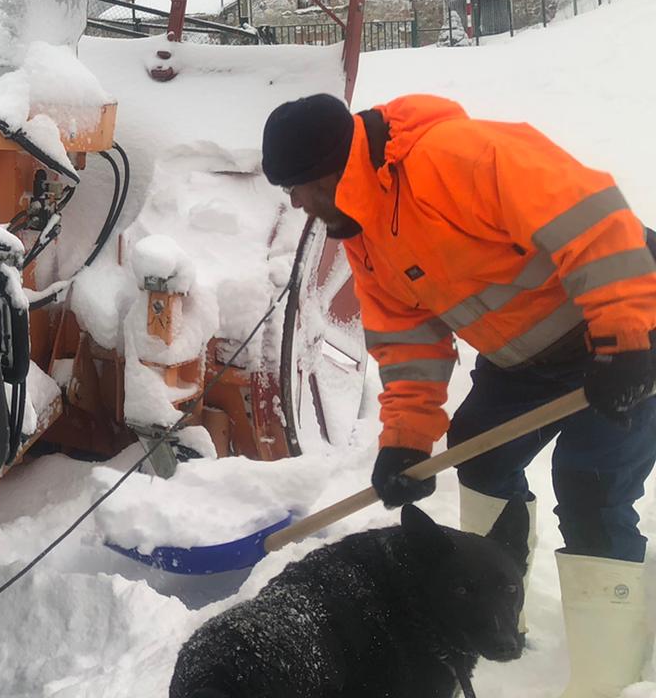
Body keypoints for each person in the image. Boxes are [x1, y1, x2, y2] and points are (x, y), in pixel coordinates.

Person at [262, 92, 656, 698]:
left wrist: (626, 336)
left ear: (335, 167)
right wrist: (406, 442)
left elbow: (594, 216)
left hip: (625, 324)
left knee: (591, 487)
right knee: (477, 452)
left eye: (299, 186)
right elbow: (406, 343)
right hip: (527, 359)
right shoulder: (365, 232)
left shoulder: (452, 157)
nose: (295, 202)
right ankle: (497, 616)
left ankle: (609, 682)